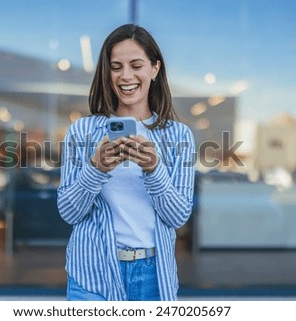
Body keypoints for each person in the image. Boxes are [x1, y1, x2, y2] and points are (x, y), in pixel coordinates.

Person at [57, 24, 195, 301]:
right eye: (116, 66)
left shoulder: (179, 136)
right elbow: (69, 213)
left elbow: (178, 217)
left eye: (136, 65)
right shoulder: (82, 132)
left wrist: (154, 170)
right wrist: (95, 169)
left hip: (153, 276)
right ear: (107, 74)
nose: (126, 76)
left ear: (154, 69)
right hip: (92, 273)